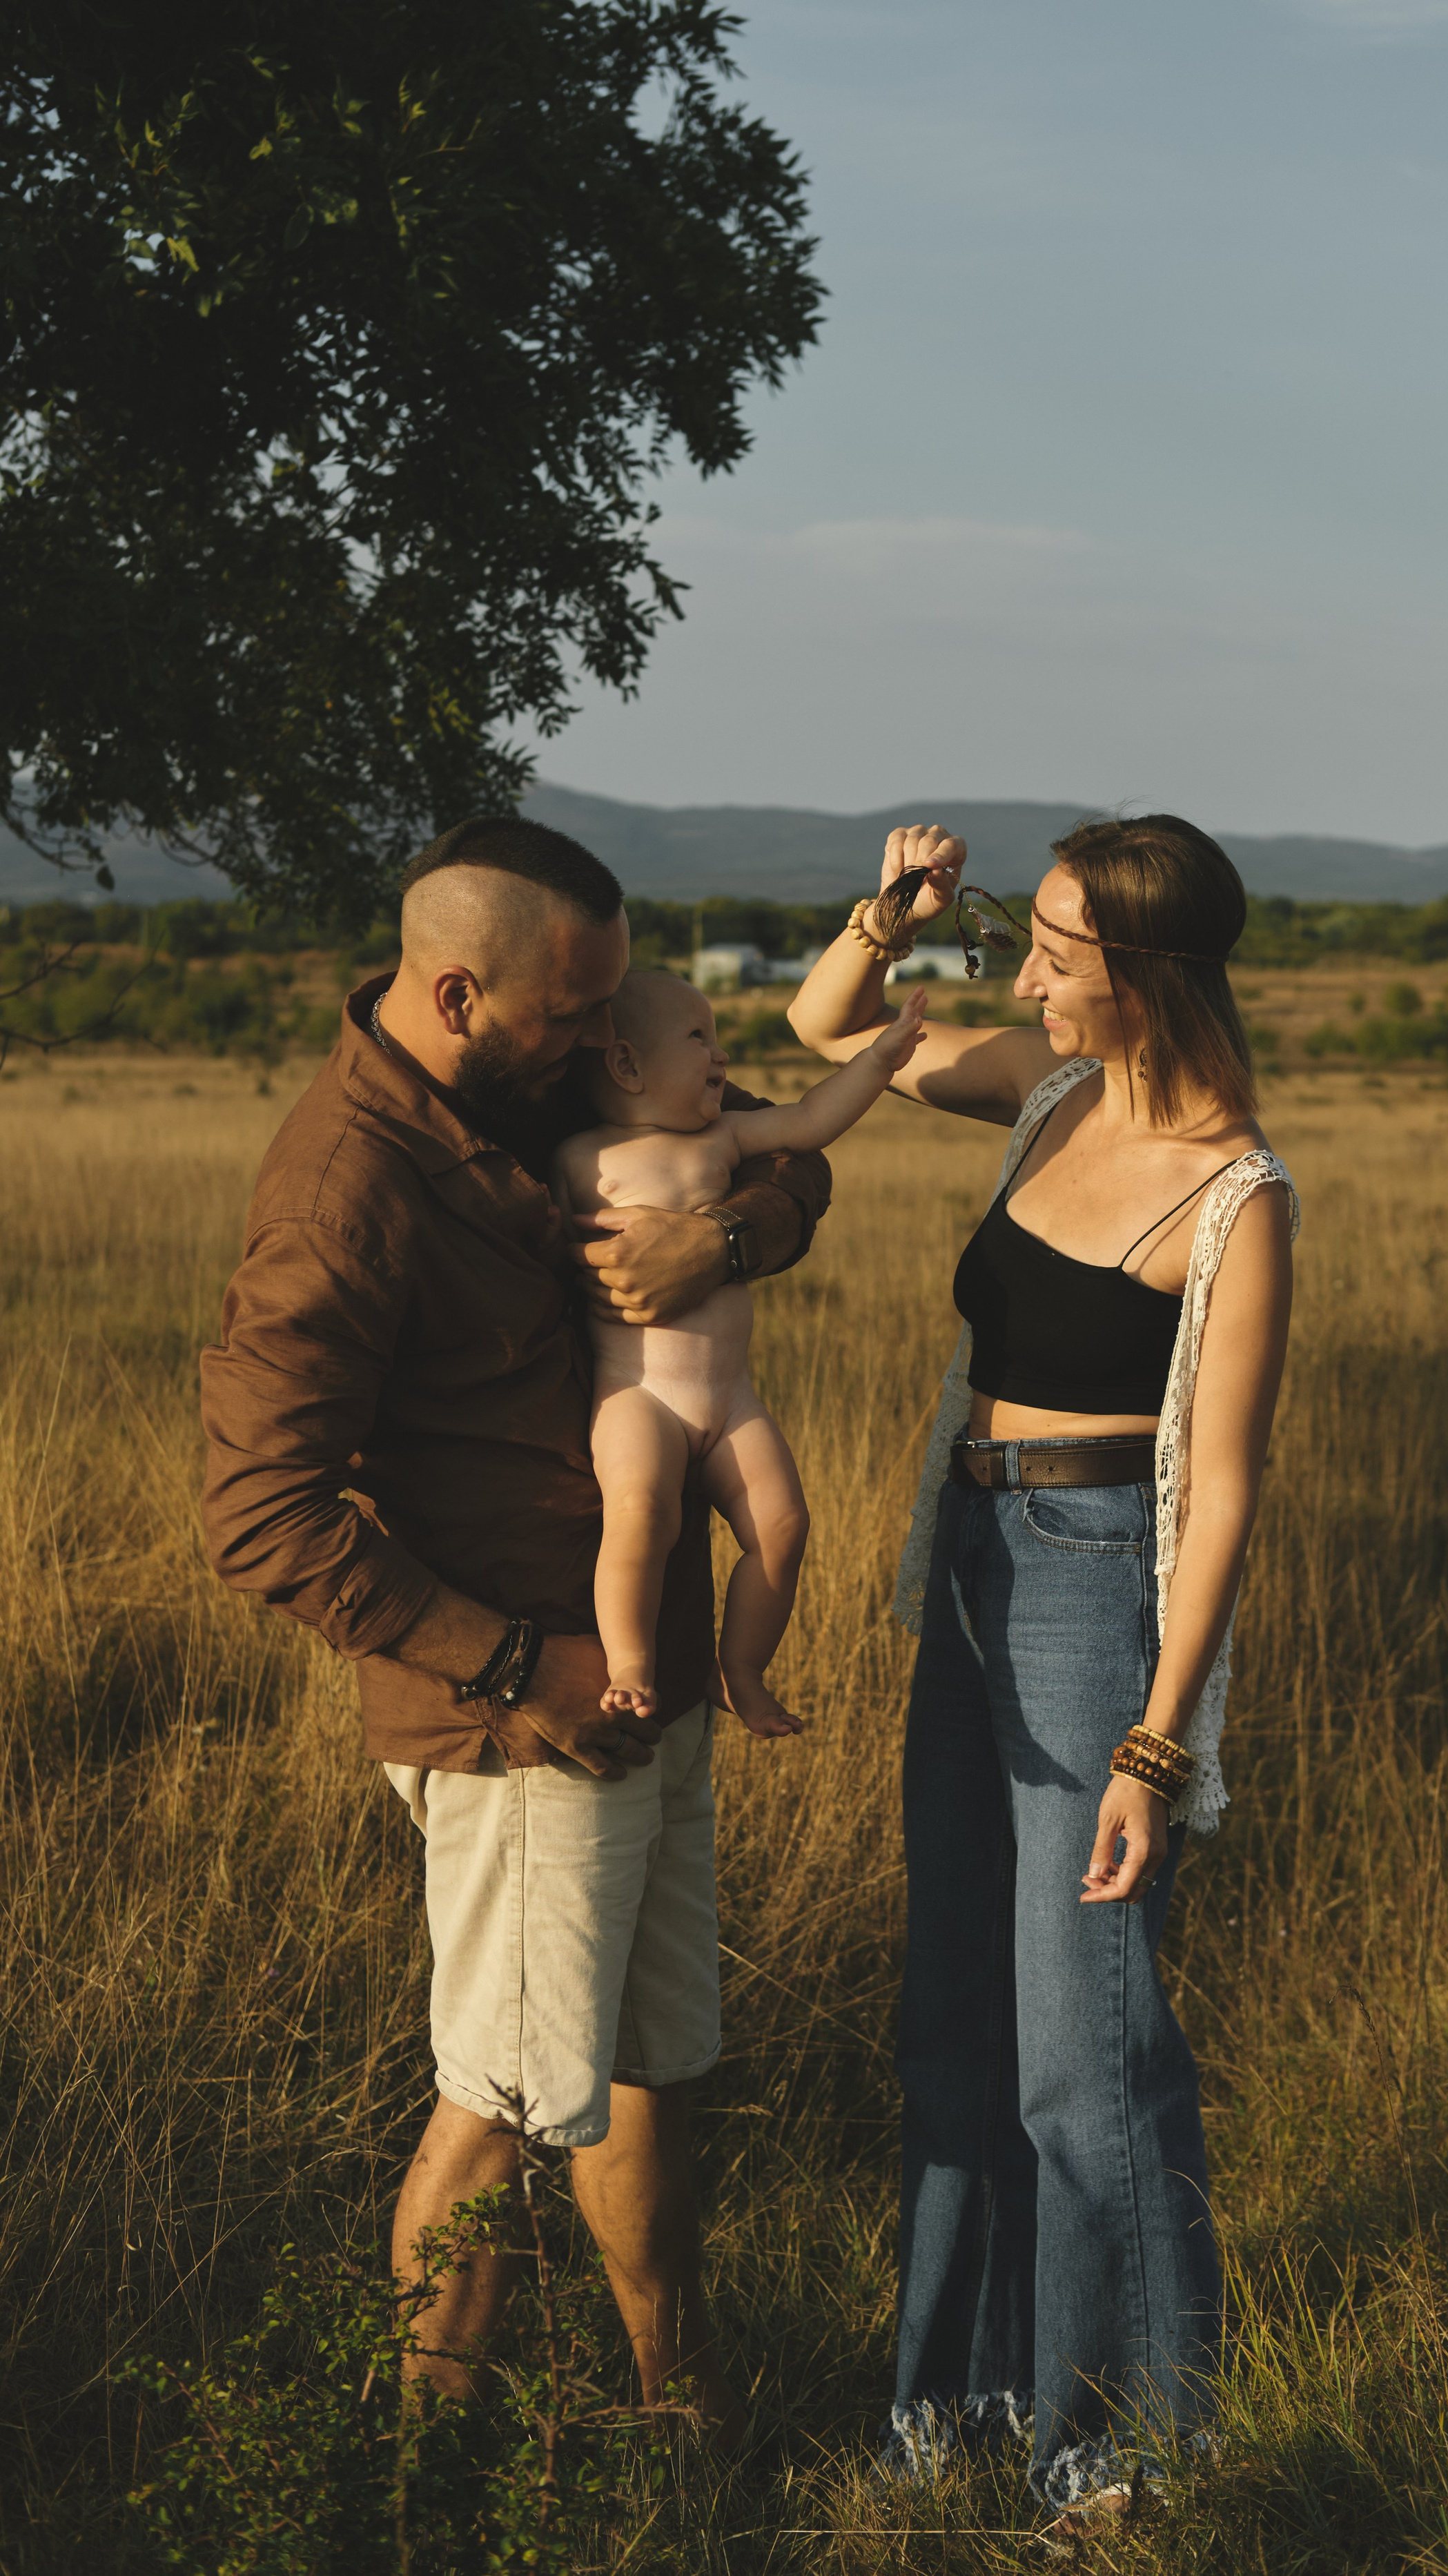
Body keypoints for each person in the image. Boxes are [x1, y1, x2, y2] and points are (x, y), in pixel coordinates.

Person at [200, 814, 833, 2451]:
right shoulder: (343, 1192)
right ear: (465, 992)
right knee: (496, 2105)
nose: (595, 1052)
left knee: (642, 2063)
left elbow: (777, 1150)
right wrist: (515, 1667)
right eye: (570, 1021)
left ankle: (675, 2414)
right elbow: (258, 1511)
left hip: (653, 1675)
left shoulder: (530, 1073)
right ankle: (431, 2483)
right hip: (523, 1719)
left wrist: (734, 1234)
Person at [788, 813, 1298, 2535]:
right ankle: (959, 2398)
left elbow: (1216, 1489)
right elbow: (827, 1034)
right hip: (964, 1567)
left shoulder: (1232, 1194)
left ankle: (1128, 2449)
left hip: (1091, 1601)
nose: (1022, 975)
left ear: (1138, 972)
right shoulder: (1048, 1092)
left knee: (1085, 2046)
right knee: (952, 2021)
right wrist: (889, 912)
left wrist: (1159, 1750)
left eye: (1055, 954)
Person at [554, 970, 927, 1733]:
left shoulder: (723, 1135)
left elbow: (811, 1120)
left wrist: (879, 1062)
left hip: (731, 1398)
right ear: (625, 1065)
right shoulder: (579, 1158)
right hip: (639, 1394)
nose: (721, 1056)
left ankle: (742, 1670)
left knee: (784, 1526)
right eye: (699, 1039)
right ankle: (630, 1662)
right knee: (639, 1513)